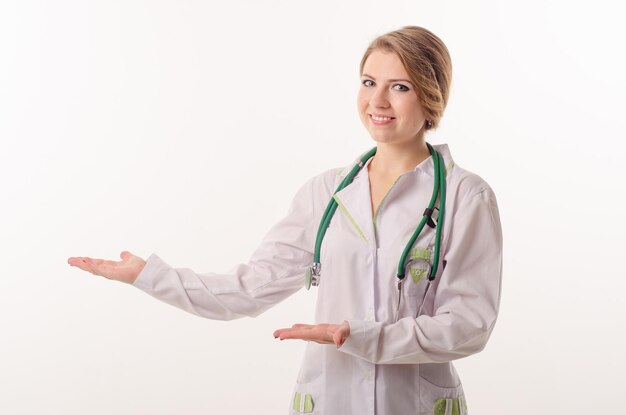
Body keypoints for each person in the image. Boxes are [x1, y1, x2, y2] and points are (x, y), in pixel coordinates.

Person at [68, 26, 502, 415]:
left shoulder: (466, 197)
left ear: (430, 96)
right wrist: (149, 275)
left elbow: (468, 326)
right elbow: (248, 290)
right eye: (369, 83)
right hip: (329, 398)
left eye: (399, 86)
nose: (377, 101)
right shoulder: (326, 194)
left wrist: (360, 335)